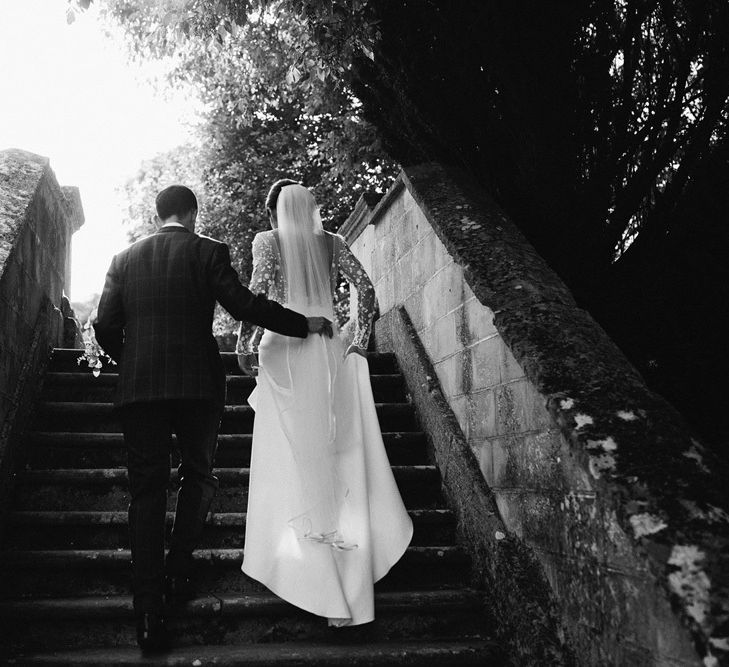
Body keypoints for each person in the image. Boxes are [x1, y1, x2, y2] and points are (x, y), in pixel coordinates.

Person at [93, 185, 332, 653]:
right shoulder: (207, 251)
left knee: (146, 489)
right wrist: (304, 324)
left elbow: (104, 325)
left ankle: (147, 611)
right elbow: (244, 304)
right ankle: (180, 570)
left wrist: (132, 361)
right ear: (192, 213)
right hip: (198, 386)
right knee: (198, 475)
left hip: (140, 390)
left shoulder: (123, 259)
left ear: (158, 213)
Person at [236, 180, 413, 627]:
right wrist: (359, 341)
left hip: (283, 347)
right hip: (328, 347)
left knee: (296, 456)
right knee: (332, 454)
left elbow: (257, 297)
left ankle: (310, 574)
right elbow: (367, 290)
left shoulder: (267, 241)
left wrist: (244, 343)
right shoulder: (332, 243)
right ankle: (340, 577)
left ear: (274, 210)